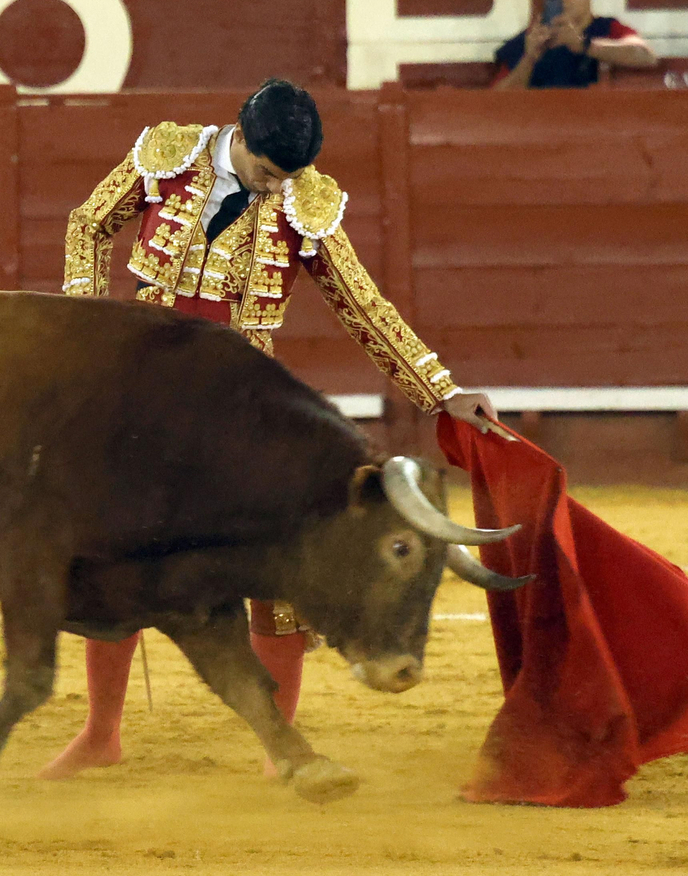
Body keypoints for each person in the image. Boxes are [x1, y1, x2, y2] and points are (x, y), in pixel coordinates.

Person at [42, 78, 502, 780]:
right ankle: (101, 733)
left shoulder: (306, 202)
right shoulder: (167, 156)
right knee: (120, 562)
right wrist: (82, 323)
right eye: (265, 172)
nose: (274, 188)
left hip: (240, 409)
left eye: (287, 177)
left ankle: (277, 750)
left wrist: (440, 390)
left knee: (283, 576)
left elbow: (362, 305)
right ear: (240, 138)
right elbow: (89, 223)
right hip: (142, 393)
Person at [493, 0, 656, 90]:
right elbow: (493, 104)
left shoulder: (607, 29)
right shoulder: (526, 42)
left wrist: (585, 45)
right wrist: (529, 59)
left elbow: (645, 55)